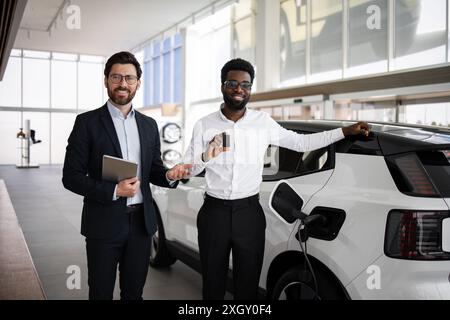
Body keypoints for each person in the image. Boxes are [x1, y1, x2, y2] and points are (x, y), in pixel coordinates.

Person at [184, 58, 370, 300]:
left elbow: (302, 143)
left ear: (250, 88)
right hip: (214, 213)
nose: (239, 89)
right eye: (232, 83)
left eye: (245, 84)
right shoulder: (204, 125)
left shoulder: (262, 123)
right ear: (222, 86)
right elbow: (188, 169)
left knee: (248, 286)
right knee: (212, 284)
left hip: (249, 214)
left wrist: (344, 131)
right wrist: (206, 155)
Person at [62, 51, 190, 300]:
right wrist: (114, 191)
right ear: (106, 80)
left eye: (129, 78)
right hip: (103, 224)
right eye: (116, 77)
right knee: (100, 293)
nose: (123, 84)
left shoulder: (149, 125)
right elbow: (71, 176)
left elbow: (154, 169)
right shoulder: (86, 123)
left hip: (141, 226)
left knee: (134, 293)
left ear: (138, 83)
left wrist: (171, 175)